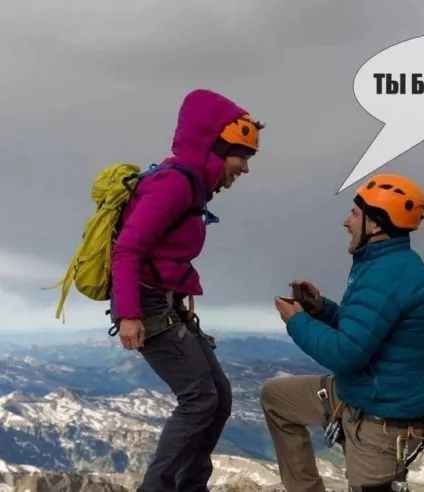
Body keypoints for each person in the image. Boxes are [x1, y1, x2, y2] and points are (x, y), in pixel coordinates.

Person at [109, 88, 265, 492]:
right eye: (243, 156)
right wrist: (128, 314)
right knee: (199, 399)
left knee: (219, 396)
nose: (246, 168)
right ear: (217, 148)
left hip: (166, 305)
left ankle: (190, 486)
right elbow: (127, 248)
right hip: (148, 306)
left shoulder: (190, 186)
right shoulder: (174, 185)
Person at [262, 174, 424, 492]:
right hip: (359, 392)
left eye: (355, 214)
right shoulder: (383, 265)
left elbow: (346, 354)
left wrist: (297, 321)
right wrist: (322, 309)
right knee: (276, 398)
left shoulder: (387, 275)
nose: (347, 222)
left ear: (375, 225)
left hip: (381, 414)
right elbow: (365, 329)